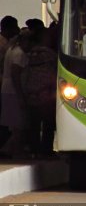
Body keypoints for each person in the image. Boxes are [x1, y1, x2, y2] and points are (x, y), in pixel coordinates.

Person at [22, 27, 57, 157]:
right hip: (46, 94)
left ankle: (34, 149)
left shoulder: (27, 54)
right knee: (48, 124)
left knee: (34, 124)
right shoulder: (50, 55)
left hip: (31, 94)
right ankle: (46, 151)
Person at [0, 28, 31, 158]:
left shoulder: (11, 50)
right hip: (13, 91)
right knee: (19, 123)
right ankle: (15, 150)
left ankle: (9, 148)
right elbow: (15, 74)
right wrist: (21, 95)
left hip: (7, 89)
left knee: (14, 123)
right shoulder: (19, 54)